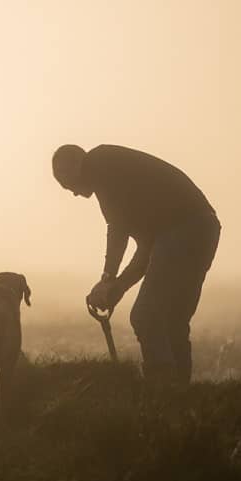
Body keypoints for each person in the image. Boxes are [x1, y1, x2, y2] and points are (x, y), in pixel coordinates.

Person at [53, 144, 221, 385]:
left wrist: (108, 277)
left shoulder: (100, 162)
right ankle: (180, 398)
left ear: (75, 165)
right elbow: (147, 253)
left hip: (184, 230)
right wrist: (118, 287)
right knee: (174, 321)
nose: (71, 192)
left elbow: (117, 228)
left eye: (64, 179)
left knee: (145, 315)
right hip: (205, 229)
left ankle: (161, 391)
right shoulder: (134, 195)